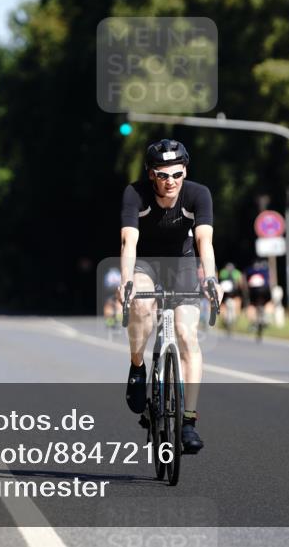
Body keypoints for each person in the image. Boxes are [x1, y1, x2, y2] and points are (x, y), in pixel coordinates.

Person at [119, 139, 218, 454]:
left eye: (176, 174)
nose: (170, 181)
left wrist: (211, 278)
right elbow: (128, 242)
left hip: (182, 263)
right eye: (162, 175)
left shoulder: (198, 194)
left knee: (188, 334)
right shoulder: (135, 194)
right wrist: (126, 281)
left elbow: (204, 240)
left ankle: (188, 421)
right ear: (151, 174)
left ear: (185, 171)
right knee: (141, 305)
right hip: (146, 263)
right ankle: (137, 365)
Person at [244, 259, 272, 327]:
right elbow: (270, 281)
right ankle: (267, 318)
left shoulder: (249, 270)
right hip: (265, 290)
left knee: (251, 305)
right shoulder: (266, 270)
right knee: (269, 302)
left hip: (253, 291)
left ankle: (253, 322)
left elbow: (245, 281)